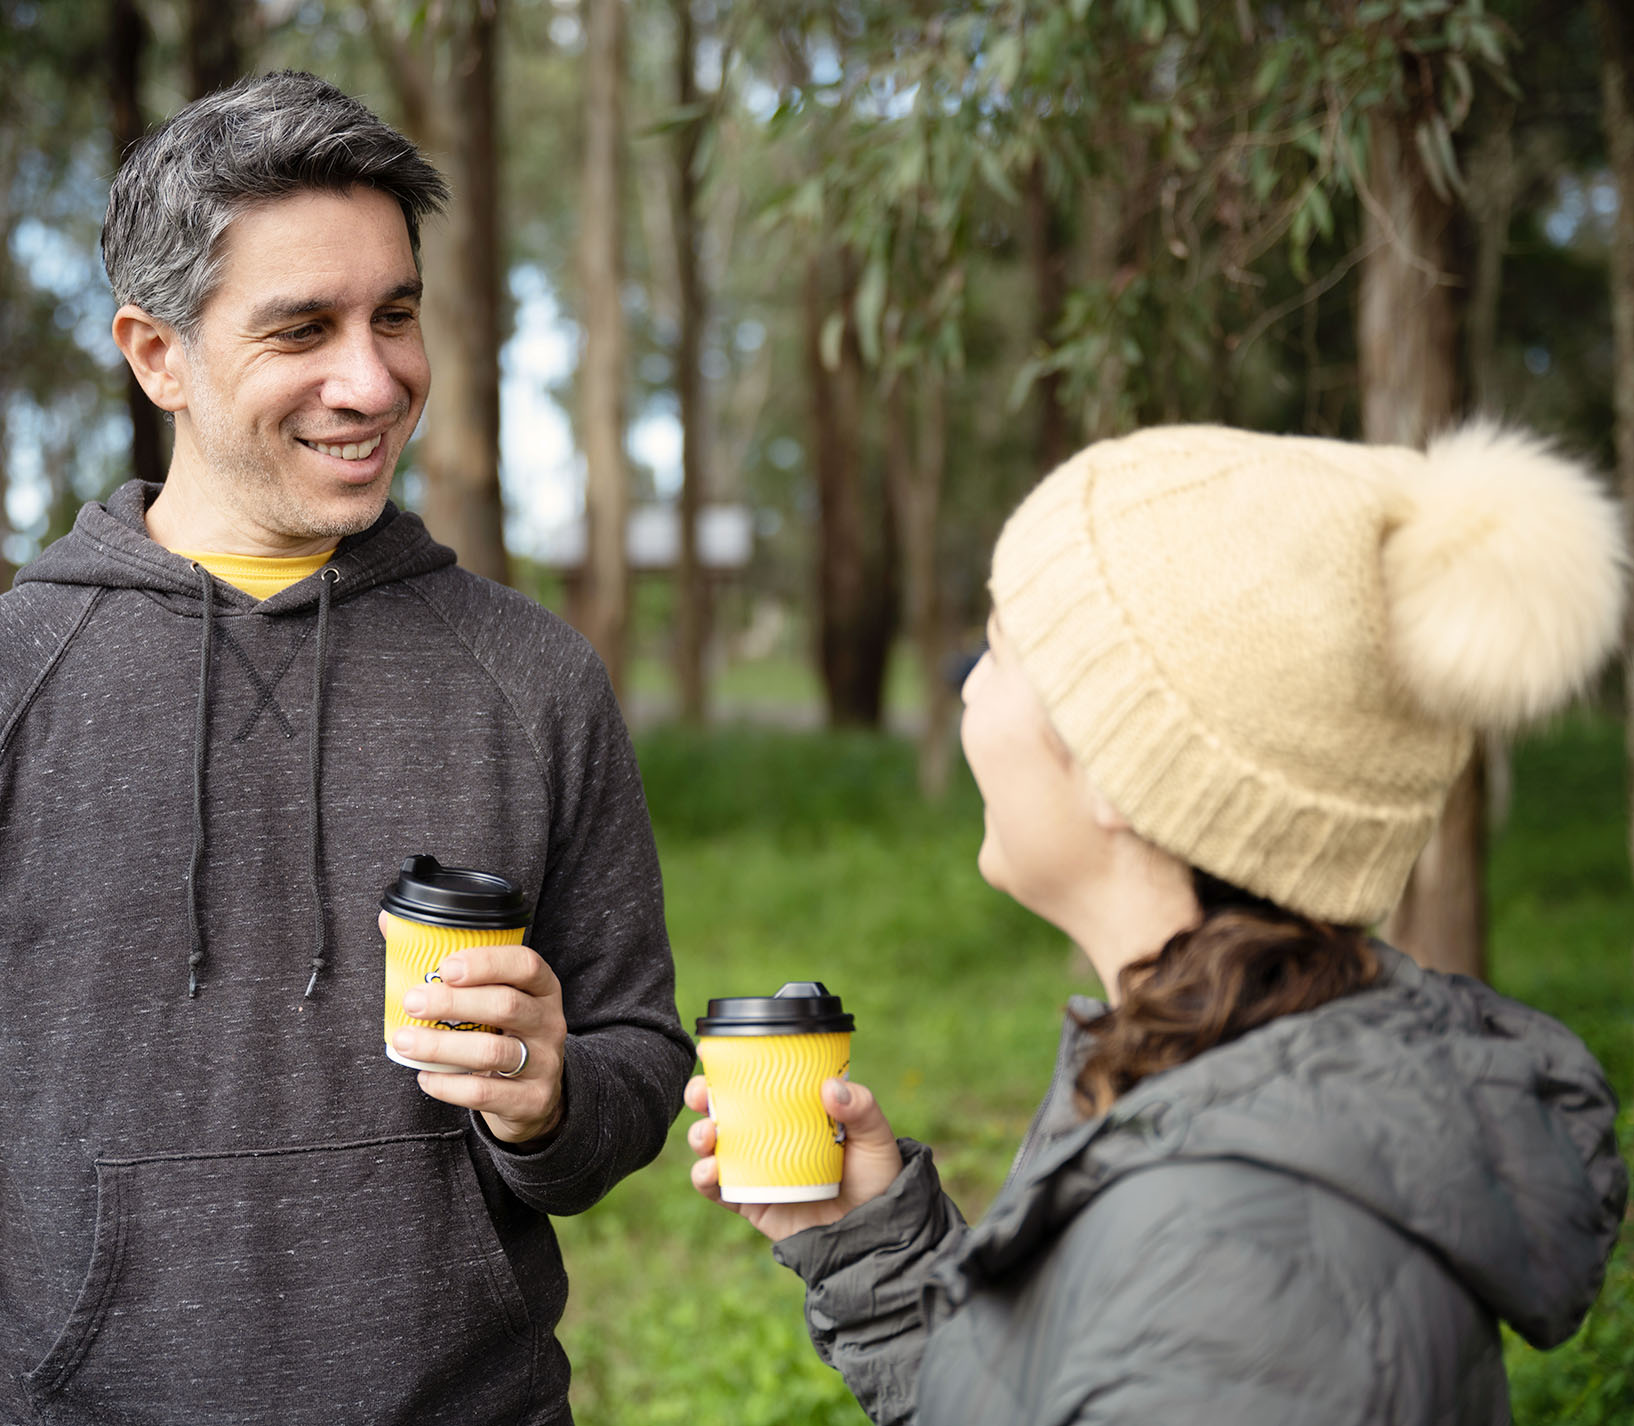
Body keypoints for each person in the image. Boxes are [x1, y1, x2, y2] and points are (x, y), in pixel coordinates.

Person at [685, 422, 1630, 1424]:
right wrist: (869, 1238)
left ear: (1114, 768)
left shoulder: (1241, 1259)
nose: (966, 686)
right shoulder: (1186, 1088)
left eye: (1000, 652)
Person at [0, 71, 692, 1424]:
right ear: (157, 355)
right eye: (302, 328)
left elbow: (636, 1054)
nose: (371, 381)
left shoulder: (534, 676)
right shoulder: (19, 675)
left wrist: (547, 1100)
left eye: (395, 316)